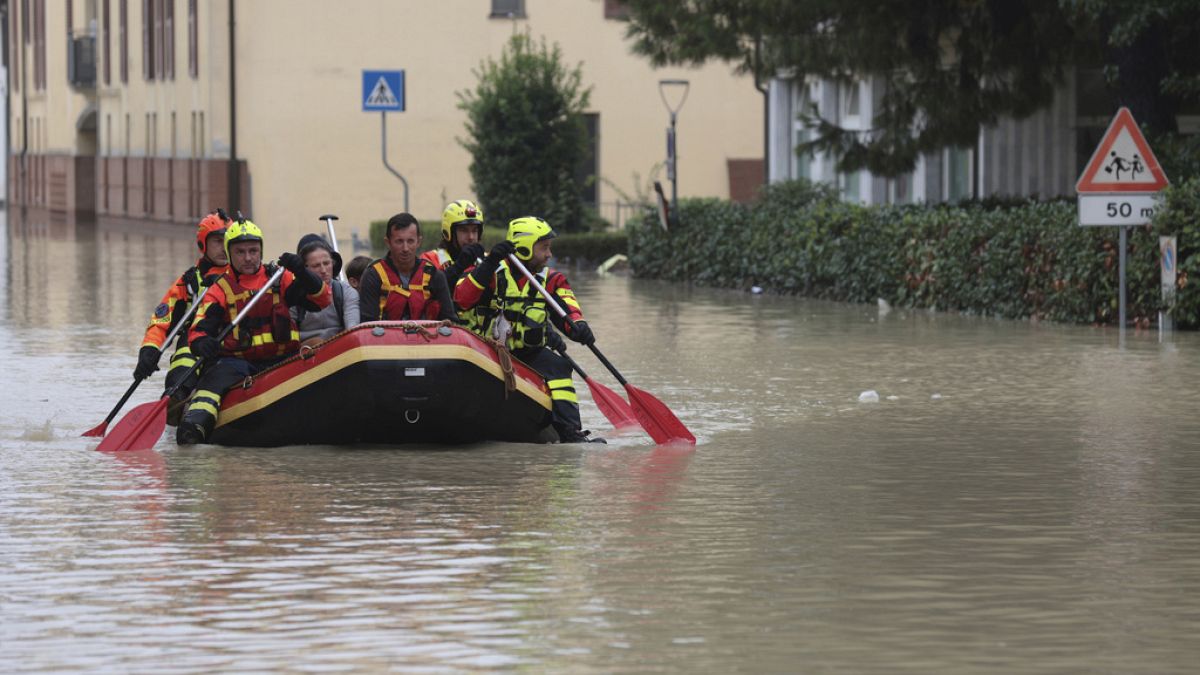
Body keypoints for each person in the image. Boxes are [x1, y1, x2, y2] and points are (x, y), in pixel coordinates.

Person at [176, 219, 331, 445]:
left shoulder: (280, 279)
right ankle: (194, 426)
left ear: (261, 250)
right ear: (229, 253)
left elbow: (322, 300)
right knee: (214, 381)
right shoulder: (219, 289)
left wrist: (302, 272)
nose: (248, 258)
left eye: (253, 251)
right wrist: (202, 344)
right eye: (240, 252)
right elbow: (198, 331)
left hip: (281, 359)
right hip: (237, 362)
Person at [454, 216, 604, 444]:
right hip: (489, 352)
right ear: (524, 248)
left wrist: (579, 327)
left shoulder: (552, 280)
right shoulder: (489, 271)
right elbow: (462, 299)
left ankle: (570, 432)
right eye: (544, 248)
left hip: (528, 353)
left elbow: (569, 310)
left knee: (559, 367)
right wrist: (489, 264)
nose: (549, 254)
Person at [134, 210, 231, 424]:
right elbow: (161, 320)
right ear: (203, 245)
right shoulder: (189, 282)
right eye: (217, 241)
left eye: (227, 241)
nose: (224, 247)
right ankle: (175, 397)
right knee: (187, 348)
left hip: (232, 342)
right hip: (197, 343)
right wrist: (148, 351)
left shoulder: (244, 274)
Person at [358, 213, 458, 323]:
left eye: (410, 241)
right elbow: (367, 325)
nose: (405, 248)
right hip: (384, 339)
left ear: (418, 242)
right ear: (388, 242)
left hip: (427, 339)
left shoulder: (434, 275)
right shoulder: (373, 275)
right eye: (399, 241)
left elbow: (450, 322)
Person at [292, 233, 360, 346]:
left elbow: (353, 331)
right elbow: (288, 339)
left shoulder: (347, 292)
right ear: (303, 269)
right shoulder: (292, 296)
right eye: (316, 266)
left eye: (327, 263)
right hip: (303, 355)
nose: (323, 270)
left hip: (340, 350)